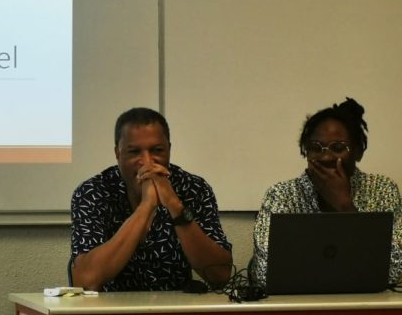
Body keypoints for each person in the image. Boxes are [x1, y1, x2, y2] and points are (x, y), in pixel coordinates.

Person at [69, 107, 233, 292]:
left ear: (169, 149)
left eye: (157, 150)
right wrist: (146, 206)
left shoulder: (193, 188)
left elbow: (221, 276)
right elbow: (85, 281)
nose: (147, 162)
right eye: (134, 152)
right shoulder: (93, 192)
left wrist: (175, 206)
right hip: (110, 307)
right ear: (117, 153)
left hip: (175, 307)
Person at [250, 97, 402, 286]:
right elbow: (264, 272)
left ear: (358, 151)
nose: (326, 157)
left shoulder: (381, 190)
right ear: (305, 151)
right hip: (298, 301)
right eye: (316, 148)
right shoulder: (282, 195)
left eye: (338, 148)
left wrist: (345, 207)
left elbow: (393, 270)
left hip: (364, 300)